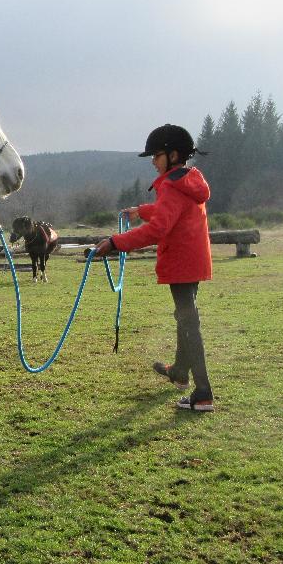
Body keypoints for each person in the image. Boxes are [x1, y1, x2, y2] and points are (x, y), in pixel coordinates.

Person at [93, 124, 215, 412]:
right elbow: (170, 211)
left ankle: (204, 393)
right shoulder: (188, 180)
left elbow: (158, 229)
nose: (152, 161)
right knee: (185, 316)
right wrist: (141, 211)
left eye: (156, 155)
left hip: (181, 262)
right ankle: (180, 372)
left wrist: (115, 242)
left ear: (173, 155)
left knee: (189, 322)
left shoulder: (172, 185)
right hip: (192, 260)